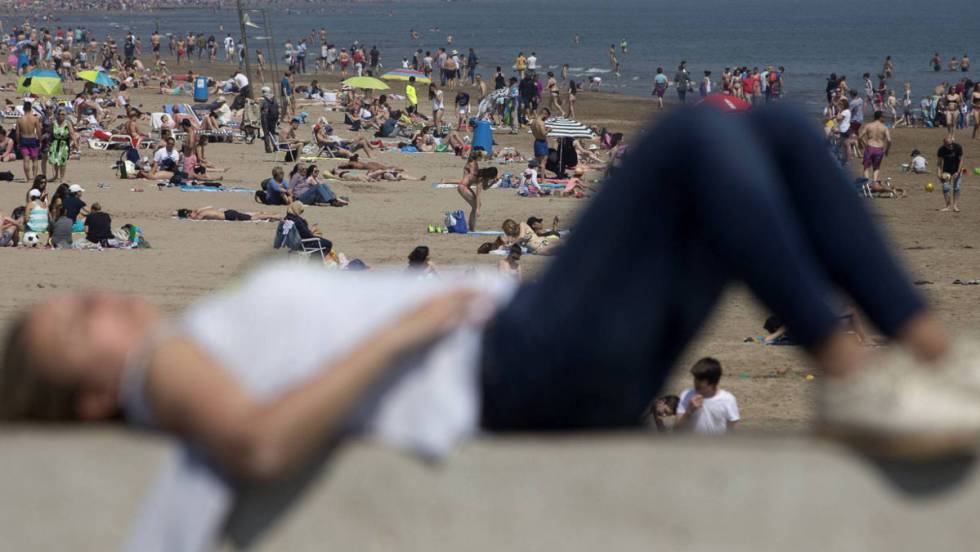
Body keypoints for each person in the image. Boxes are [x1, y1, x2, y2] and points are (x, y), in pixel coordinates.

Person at [7, 107, 980, 551]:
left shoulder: (182, 350)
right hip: (506, 363)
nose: (92, 301)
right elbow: (258, 443)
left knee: (763, 131)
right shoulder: (160, 370)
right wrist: (404, 330)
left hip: (531, 353)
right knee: (694, 138)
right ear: (92, 395)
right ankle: (855, 365)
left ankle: (932, 356)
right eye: (73, 325)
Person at [675, 358, 740, 434]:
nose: (696, 382)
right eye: (695, 378)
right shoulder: (686, 395)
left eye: (700, 380)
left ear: (712, 382)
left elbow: (732, 431)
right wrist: (689, 411)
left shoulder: (728, 399)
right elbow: (676, 429)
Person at [456, 151, 497, 231]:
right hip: (463, 187)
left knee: (477, 206)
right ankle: (471, 228)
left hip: (464, 187)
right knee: (475, 207)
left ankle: (472, 227)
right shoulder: (481, 179)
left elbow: (485, 188)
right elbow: (478, 195)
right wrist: (478, 209)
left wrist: (493, 182)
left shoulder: (483, 177)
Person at [858, 111, 890, 184]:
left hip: (869, 147)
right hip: (879, 149)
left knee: (866, 167)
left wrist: (864, 144)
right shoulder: (884, 127)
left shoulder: (868, 125)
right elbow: (889, 140)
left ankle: (866, 183)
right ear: (880, 117)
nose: (884, 118)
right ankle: (875, 182)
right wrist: (887, 150)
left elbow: (859, 137)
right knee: (876, 167)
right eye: (883, 117)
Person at [16, 99, 42, 181]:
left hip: (23, 139)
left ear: (23, 109)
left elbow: (17, 133)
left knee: (26, 160)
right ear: (31, 108)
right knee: (35, 159)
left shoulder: (19, 119)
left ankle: (28, 178)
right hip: (32, 139)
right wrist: (40, 140)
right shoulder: (35, 119)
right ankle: (34, 177)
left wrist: (18, 142)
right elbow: (38, 131)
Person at [937, 134, 964, 212]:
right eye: (946, 145)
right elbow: (939, 163)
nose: (948, 146)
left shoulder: (958, 147)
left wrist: (958, 172)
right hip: (946, 171)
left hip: (957, 170)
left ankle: (955, 206)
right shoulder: (941, 150)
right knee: (945, 188)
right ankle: (947, 206)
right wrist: (938, 174)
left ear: (952, 141)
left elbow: (961, 161)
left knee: (957, 187)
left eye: (949, 144)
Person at [46, 109, 75, 182]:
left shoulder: (67, 123)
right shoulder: (54, 123)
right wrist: (49, 143)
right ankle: (55, 176)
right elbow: (51, 134)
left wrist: (75, 143)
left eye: (63, 114)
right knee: (55, 161)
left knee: (62, 162)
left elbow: (72, 133)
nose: (61, 116)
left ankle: (62, 177)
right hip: (55, 143)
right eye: (60, 114)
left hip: (63, 144)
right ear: (57, 115)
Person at [175, 207, 280, 222]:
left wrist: (179, 216)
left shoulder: (200, 215)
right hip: (228, 213)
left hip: (229, 216)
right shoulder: (200, 211)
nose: (190, 218)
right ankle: (266, 214)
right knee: (248, 215)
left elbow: (196, 219)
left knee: (252, 218)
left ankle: (274, 216)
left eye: (189, 216)